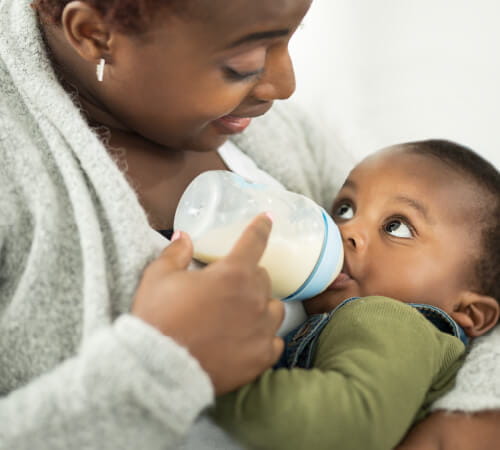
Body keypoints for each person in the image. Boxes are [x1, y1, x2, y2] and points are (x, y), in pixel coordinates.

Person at [0, 0, 498, 448]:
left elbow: (473, 258)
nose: (284, 85)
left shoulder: (269, 129)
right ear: (94, 33)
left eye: (289, 35)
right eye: (241, 63)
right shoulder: (17, 170)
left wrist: (481, 406)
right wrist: (163, 370)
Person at [212, 140, 500, 450]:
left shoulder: (391, 319)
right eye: (345, 209)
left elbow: (344, 425)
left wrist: (220, 375)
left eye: (397, 227)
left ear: (469, 312)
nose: (345, 230)